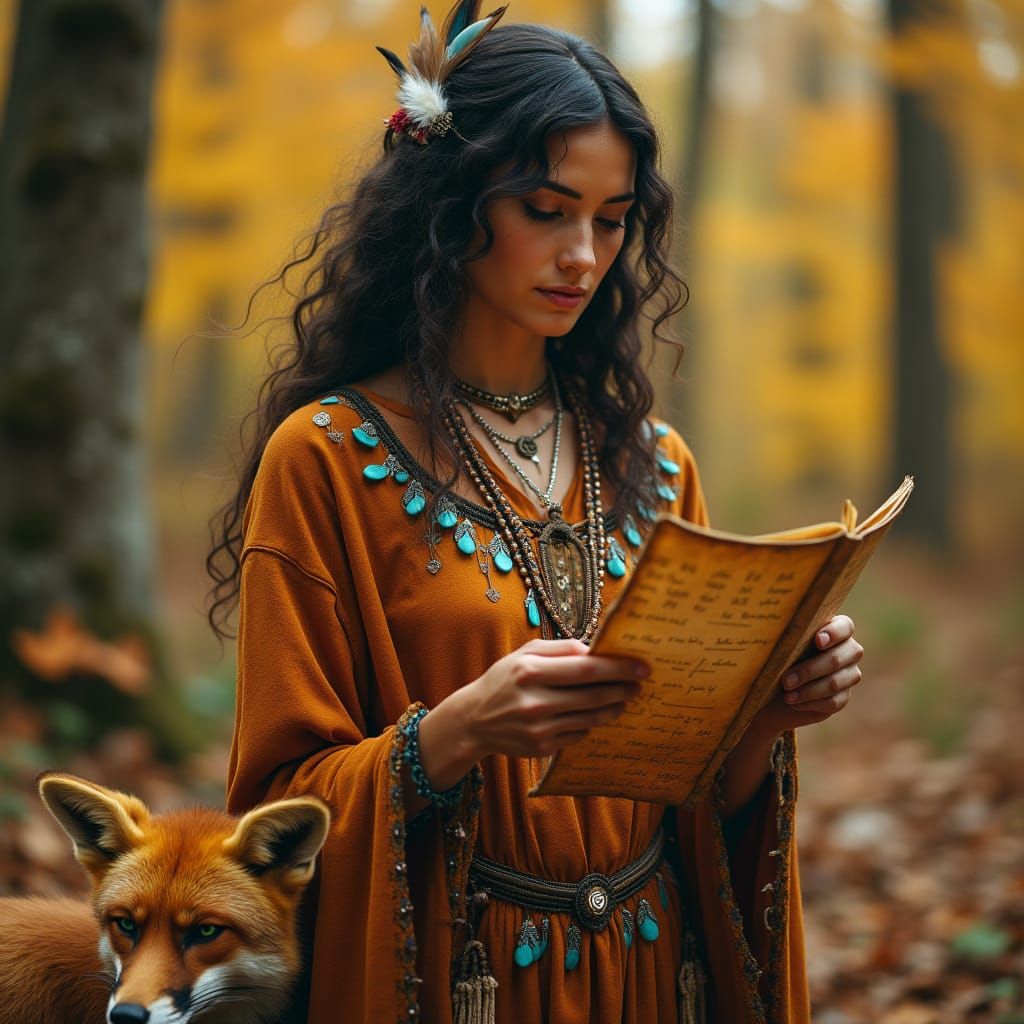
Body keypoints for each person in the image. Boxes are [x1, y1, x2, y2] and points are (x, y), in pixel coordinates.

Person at [211, 3, 865, 1021]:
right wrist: (455, 731)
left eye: (610, 220)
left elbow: (693, 794)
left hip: (656, 978)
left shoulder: (657, 466)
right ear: (450, 202)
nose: (583, 256)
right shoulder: (326, 458)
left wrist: (766, 712)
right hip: (457, 978)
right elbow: (270, 819)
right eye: (547, 210)